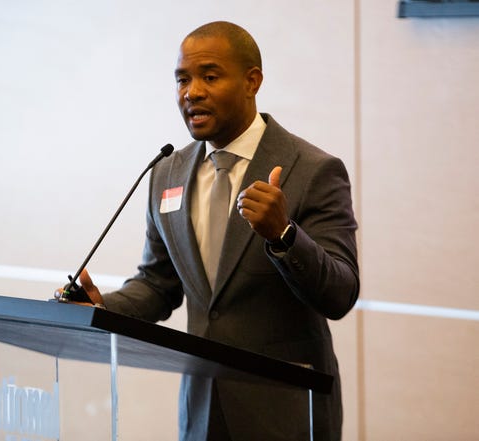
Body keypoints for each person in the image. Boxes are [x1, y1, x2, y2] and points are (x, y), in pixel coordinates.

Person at [66, 21, 359, 441]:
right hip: (201, 411)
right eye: (182, 79)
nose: (192, 92)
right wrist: (100, 308)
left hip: (287, 412)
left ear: (251, 81)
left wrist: (284, 236)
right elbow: (157, 285)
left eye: (210, 76)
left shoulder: (313, 170)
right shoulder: (167, 172)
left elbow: (341, 293)